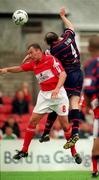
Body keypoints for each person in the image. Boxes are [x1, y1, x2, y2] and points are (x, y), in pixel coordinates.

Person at [0, 43, 70, 160]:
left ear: (39, 51)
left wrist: (57, 88)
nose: (30, 55)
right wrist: (6, 69)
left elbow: (63, 74)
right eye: (28, 53)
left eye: (31, 53)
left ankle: (74, 152)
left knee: (65, 125)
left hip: (58, 95)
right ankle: (24, 150)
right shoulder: (33, 64)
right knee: (32, 122)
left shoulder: (50, 59)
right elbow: (20, 68)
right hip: (44, 95)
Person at [39, 7, 83, 149]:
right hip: (79, 72)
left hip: (68, 75)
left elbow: (43, 55)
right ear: (58, 36)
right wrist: (62, 16)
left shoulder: (53, 50)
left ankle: (46, 132)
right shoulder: (68, 37)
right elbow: (70, 26)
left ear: (50, 43)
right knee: (74, 103)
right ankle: (76, 131)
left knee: (57, 102)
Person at [83, 35, 99, 178]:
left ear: (89, 48)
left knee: (96, 143)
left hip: (98, 112)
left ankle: (94, 170)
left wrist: (87, 103)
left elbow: (88, 88)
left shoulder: (91, 64)